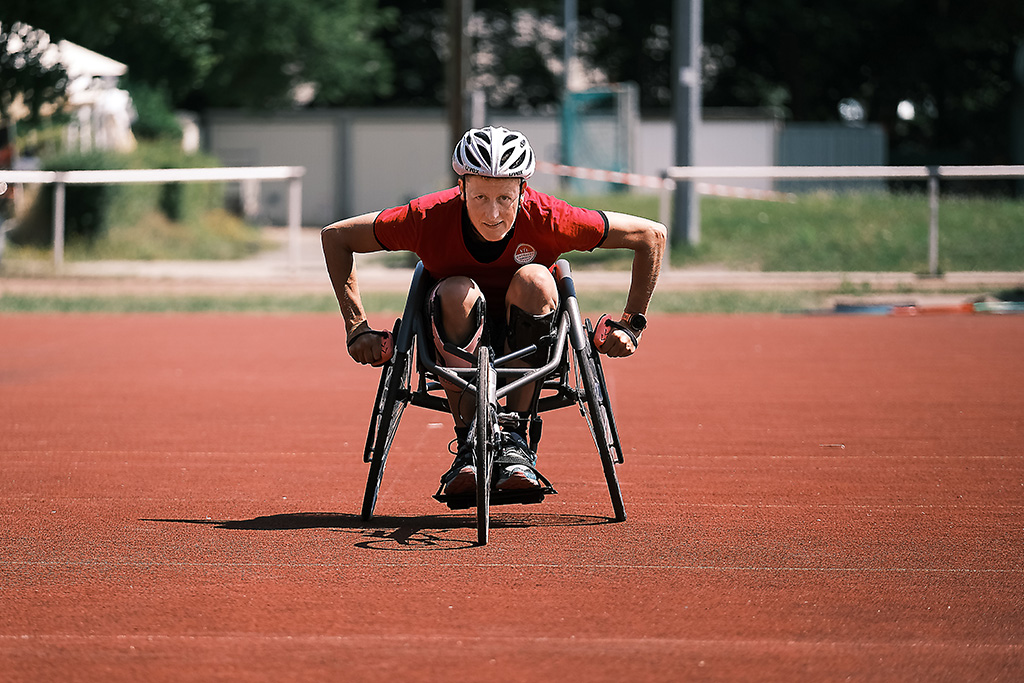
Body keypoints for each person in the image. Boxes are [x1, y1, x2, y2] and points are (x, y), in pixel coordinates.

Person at [322, 126, 665, 497]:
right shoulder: (427, 217)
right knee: (457, 289)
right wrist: (357, 327)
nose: (493, 213)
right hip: (454, 329)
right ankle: (470, 440)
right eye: (480, 196)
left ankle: (517, 440)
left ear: (524, 188)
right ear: (462, 186)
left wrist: (632, 324)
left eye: (505, 197)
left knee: (536, 278)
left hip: (532, 336)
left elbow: (651, 236)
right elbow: (337, 237)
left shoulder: (550, 217)